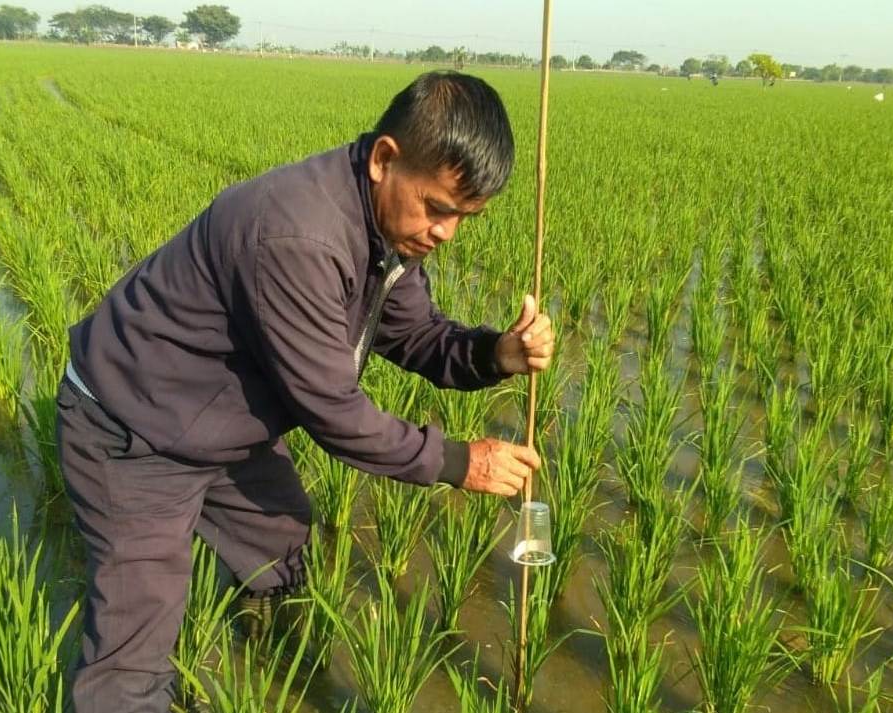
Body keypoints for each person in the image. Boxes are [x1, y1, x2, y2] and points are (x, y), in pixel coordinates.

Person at [56, 70, 554, 713]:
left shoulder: (386, 231)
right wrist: (461, 462)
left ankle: (255, 659)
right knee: (133, 650)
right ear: (384, 159)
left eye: (464, 217)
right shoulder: (299, 236)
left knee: (281, 540)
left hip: (218, 424)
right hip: (134, 433)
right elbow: (333, 412)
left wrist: (498, 353)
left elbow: (417, 335)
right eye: (438, 208)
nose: (446, 233)